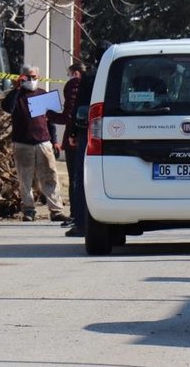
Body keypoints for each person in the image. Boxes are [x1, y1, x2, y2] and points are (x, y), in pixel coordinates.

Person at [1, 64, 68, 222]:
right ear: (22, 77)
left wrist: (55, 141)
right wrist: (16, 89)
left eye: (34, 77)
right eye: (28, 77)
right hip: (22, 144)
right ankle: (29, 210)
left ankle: (56, 210)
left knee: (50, 176)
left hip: (43, 142)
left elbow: (50, 120)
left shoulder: (42, 95)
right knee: (25, 178)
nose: (31, 80)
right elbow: (7, 108)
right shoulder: (17, 97)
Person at [65, 40, 113, 237]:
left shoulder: (90, 76)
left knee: (81, 177)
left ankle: (81, 222)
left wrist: (74, 133)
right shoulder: (117, 72)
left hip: (89, 130)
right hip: (114, 130)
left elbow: (79, 106)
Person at [46, 62, 85, 228]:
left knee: (75, 178)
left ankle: (76, 214)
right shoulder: (96, 82)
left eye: (69, 74)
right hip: (92, 136)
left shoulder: (74, 85)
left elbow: (69, 115)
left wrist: (49, 114)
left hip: (74, 139)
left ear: (75, 73)